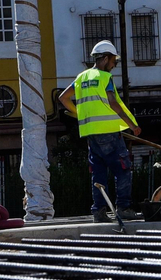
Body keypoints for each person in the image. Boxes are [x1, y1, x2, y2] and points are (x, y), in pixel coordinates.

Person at [60, 40, 141, 223]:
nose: (114, 65)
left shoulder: (81, 78)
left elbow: (63, 98)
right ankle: (123, 208)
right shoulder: (104, 78)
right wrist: (132, 125)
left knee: (99, 173)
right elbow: (113, 103)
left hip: (91, 135)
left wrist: (79, 113)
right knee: (123, 170)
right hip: (109, 134)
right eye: (114, 61)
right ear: (105, 59)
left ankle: (99, 212)